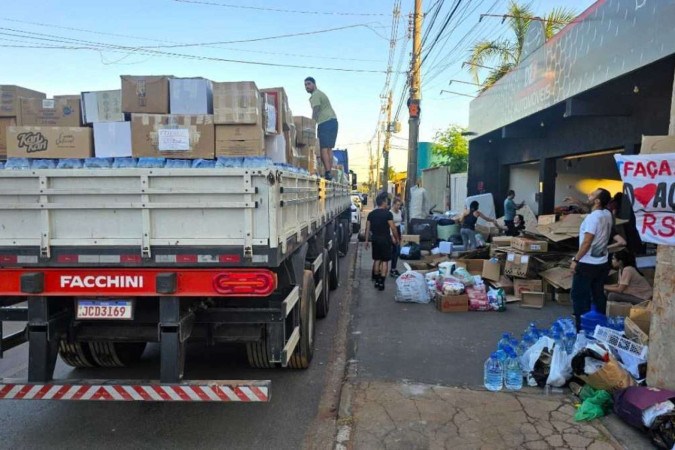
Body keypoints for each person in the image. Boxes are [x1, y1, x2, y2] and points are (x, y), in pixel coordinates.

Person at [570, 188, 613, 331]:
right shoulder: (607, 214)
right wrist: (577, 201)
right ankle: (599, 326)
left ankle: (581, 329)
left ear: (597, 201)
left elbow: (587, 242)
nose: (589, 195)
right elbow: (589, 207)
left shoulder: (592, 218)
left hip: (587, 263)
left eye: (592, 194)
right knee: (597, 293)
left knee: (579, 295)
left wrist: (576, 260)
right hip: (602, 262)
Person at [304, 77, 338, 180]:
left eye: (309, 84)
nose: (307, 87)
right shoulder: (320, 93)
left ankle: (327, 172)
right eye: (305, 85)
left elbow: (316, 109)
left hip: (325, 122)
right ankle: (330, 172)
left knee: (323, 149)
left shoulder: (315, 95)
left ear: (314, 84)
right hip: (333, 121)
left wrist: (312, 124)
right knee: (329, 149)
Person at [364, 192, 400, 291]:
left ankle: (376, 280)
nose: (387, 203)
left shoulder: (371, 214)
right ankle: (381, 282)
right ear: (383, 202)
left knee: (376, 260)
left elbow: (367, 229)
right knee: (384, 261)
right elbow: (393, 228)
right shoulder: (388, 214)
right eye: (386, 201)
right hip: (385, 240)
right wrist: (397, 239)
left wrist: (366, 241)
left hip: (375, 239)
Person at [389, 198, 404, 277]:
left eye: (400, 205)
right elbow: (389, 226)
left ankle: (394, 268)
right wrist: (392, 237)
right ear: (394, 204)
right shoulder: (390, 213)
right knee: (395, 251)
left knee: (397, 252)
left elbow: (400, 223)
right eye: (397, 205)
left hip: (398, 231)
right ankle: (392, 270)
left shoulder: (400, 212)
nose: (398, 207)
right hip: (392, 231)